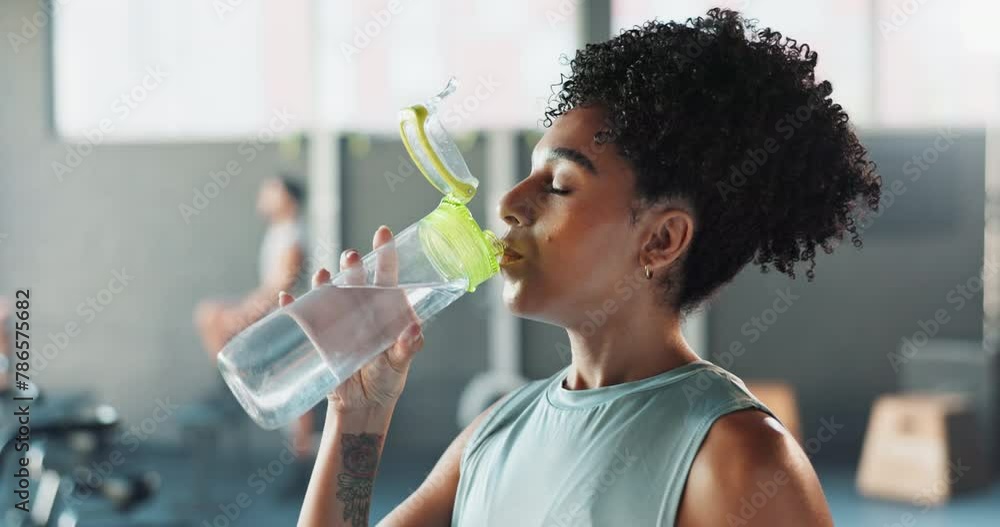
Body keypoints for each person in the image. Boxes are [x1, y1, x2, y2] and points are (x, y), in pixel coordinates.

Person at [293, 10, 881, 526]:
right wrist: (358, 418)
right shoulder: (495, 433)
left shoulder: (738, 460)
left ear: (660, 240)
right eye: (529, 172)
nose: (508, 202)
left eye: (558, 184)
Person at [194, 175, 315, 457]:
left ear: (288, 198)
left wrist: (245, 311)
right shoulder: (280, 230)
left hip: (285, 321)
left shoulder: (293, 234)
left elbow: (281, 287)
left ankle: (300, 459)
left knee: (297, 391)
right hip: (273, 313)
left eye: (271, 191)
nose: (264, 196)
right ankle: (230, 386)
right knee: (210, 315)